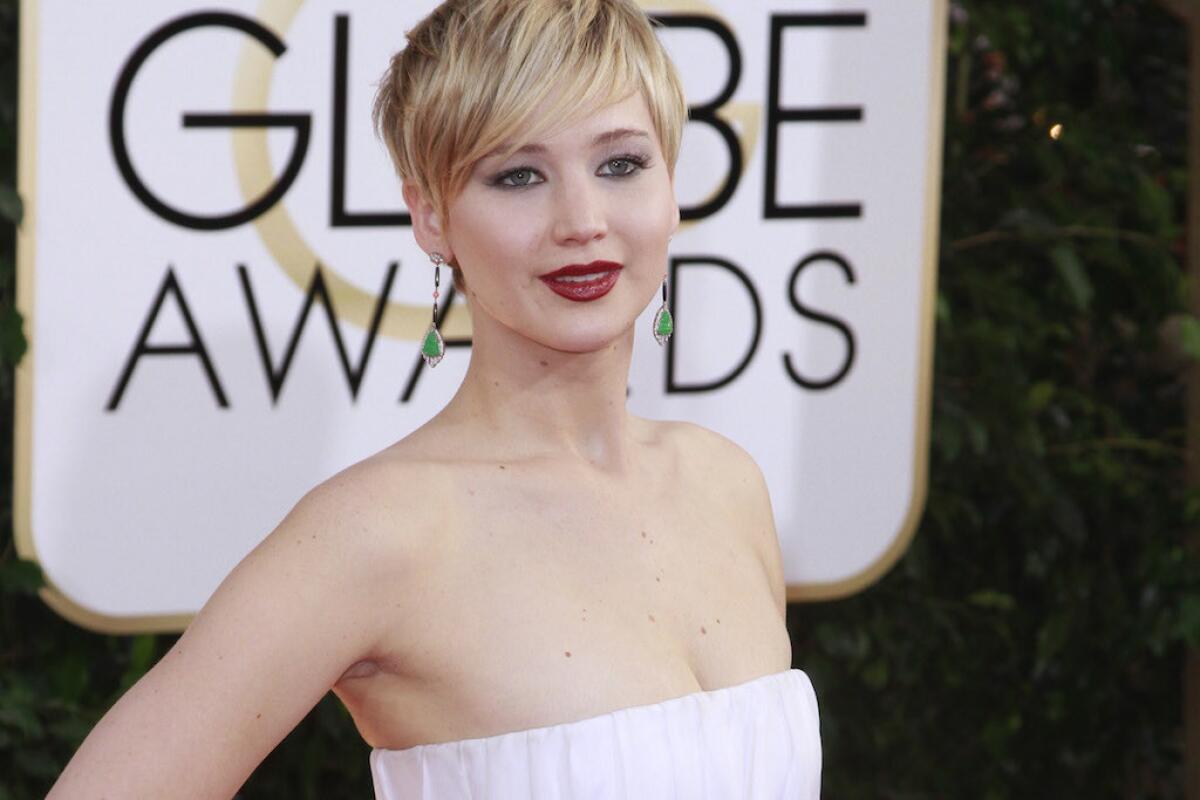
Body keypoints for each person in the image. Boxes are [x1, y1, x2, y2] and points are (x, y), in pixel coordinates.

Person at [48, 0, 821, 797]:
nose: (582, 221)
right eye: (517, 176)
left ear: (672, 185)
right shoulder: (381, 533)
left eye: (620, 164)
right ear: (431, 216)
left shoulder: (727, 485)